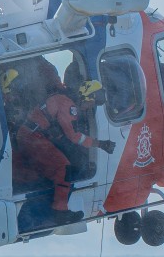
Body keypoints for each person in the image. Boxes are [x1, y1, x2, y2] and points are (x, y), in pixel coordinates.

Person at [6, 64, 114, 229]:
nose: (91, 107)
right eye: (93, 102)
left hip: (28, 134)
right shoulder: (69, 106)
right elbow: (73, 136)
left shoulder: (64, 98)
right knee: (64, 168)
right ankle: (60, 212)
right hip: (33, 137)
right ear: (88, 97)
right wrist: (100, 144)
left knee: (43, 169)